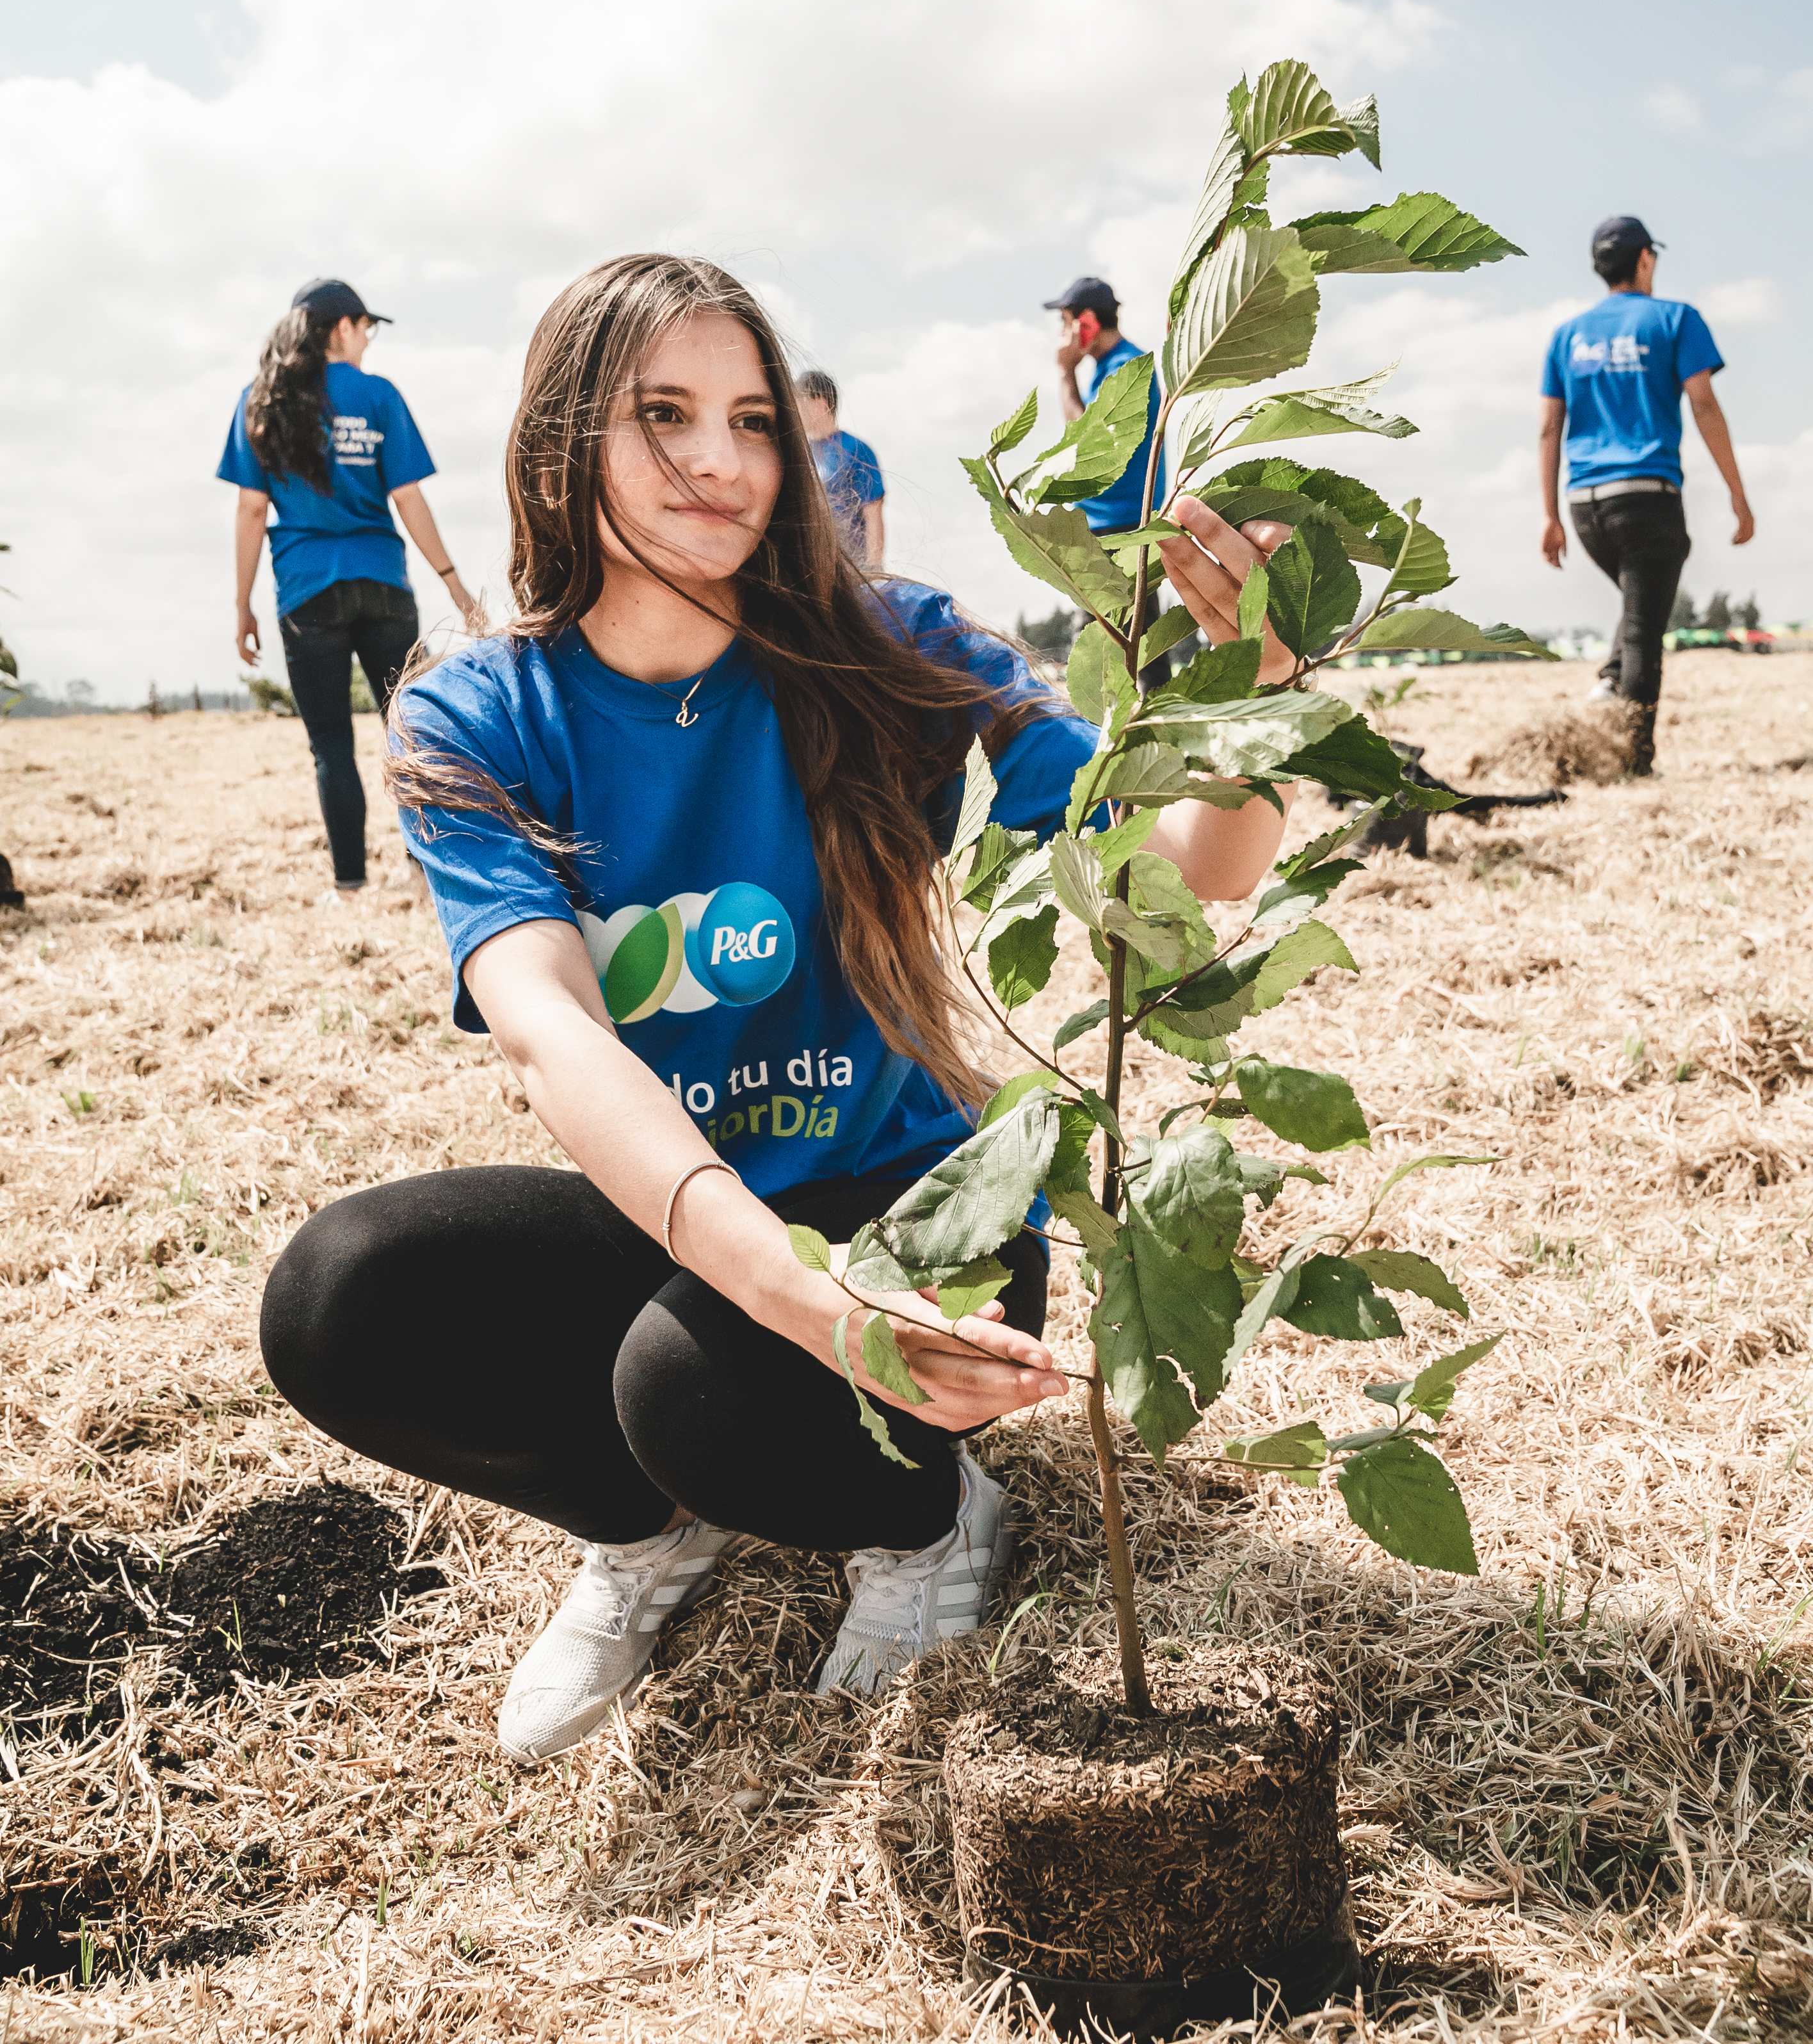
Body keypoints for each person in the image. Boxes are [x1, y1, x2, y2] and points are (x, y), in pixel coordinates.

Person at [257, 255, 1297, 1765]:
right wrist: (809, 1307)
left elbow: (1189, 878)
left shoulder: (893, 647)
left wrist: (1251, 683)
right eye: (661, 413)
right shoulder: (476, 713)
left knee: (692, 1385)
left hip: (915, 1203)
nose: (720, 459)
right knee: (339, 1298)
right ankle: (643, 1531)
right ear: (559, 442)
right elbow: (550, 1029)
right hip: (694, 1197)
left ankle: (929, 1519)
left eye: (751, 417)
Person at [219, 277, 476, 894]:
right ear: (342, 327)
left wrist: (242, 606)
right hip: (384, 584)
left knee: (330, 743)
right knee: (409, 731)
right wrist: (454, 584)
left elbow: (252, 511)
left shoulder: (261, 399)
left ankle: (351, 884)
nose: (369, 341)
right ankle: (425, 871)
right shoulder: (379, 396)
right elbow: (408, 497)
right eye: (368, 328)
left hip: (308, 591)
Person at [1538, 216, 1753, 776]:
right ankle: (1634, 762)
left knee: (1640, 610)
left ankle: (1609, 681)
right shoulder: (1675, 319)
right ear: (1645, 260)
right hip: (1647, 496)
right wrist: (1737, 494)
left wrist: (1550, 516)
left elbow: (1548, 429)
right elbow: (1704, 405)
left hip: (1584, 505)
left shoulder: (1567, 335)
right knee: (1644, 632)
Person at [1046, 275, 1170, 679]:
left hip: (1120, 525)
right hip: (1117, 522)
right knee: (1131, 645)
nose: (1063, 334)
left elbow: (1088, 445)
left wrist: (1065, 373)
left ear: (1087, 323)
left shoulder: (1126, 369)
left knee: (1122, 652)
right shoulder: (1113, 368)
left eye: (1066, 322)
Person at [795, 368, 884, 566]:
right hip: (814, 567)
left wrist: (874, 568)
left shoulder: (856, 450)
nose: (794, 412)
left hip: (853, 567)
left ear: (820, 405)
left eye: (799, 403)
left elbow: (873, 513)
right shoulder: (800, 455)